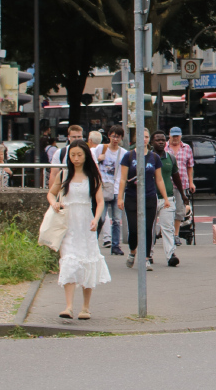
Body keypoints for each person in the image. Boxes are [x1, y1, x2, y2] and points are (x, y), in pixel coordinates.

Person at [48, 140, 109, 320]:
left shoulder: (93, 176)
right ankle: (68, 306)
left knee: (87, 260)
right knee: (68, 260)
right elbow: (51, 193)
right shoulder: (63, 174)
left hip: (85, 223)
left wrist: (96, 219)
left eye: (79, 155)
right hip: (68, 223)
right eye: (72, 155)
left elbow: (99, 202)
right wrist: (55, 204)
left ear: (86, 156)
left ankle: (85, 307)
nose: (76, 159)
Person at [117, 129, 171, 270]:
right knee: (134, 229)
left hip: (149, 196)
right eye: (142, 137)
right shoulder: (129, 156)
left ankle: (146, 258)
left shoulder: (154, 157)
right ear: (136, 139)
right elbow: (123, 179)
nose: (144, 139)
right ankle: (133, 251)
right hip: (131, 197)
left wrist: (165, 198)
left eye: (147, 137)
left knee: (148, 229)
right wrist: (120, 198)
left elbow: (159, 179)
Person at [150, 131, 181, 267]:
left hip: (167, 197)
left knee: (167, 227)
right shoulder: (147, 157)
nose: (161, 142)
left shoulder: (170, 158)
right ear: (152, 142)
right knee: (149, 228)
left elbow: (176, 177)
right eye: (158, 140)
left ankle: (170, 255)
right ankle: (148, 254)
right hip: (150, 197)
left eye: (163, 140)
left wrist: (183, 195)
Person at [96, 126, 126, 253]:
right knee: (100, 218)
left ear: (121, 138)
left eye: (118, 137)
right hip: (103, 187)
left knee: (116, 219)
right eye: (113, 136)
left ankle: (115, 245)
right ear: (109, 136)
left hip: (116, 188)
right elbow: (92, 163)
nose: (115, 139)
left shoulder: (123, 153)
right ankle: (94, 243)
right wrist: (99, 160)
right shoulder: (101, 148)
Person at [166, 127, 195, 242]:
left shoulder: (186, 148)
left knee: (179, 210)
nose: (175, 138)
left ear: (181, 136)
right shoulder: (164, 147)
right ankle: (167, 233)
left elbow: (190, 166)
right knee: (167, 210)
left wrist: (191, 182)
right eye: (173, 136)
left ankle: (176, 234)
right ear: (169, 135)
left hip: (182, 184)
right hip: (167, 184)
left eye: (177, 136)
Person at [48, 124, 85, 192]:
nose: (76, 139)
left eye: (79, 137)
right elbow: (53, 174)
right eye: (74, 137)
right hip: (65, 189)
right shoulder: (60, 153)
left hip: (84, 189)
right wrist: (52, 193)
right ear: (68, 137)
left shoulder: (90, 152)